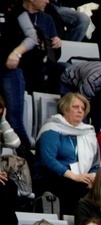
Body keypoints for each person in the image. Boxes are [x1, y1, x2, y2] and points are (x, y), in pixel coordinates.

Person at [32, 92, 100, 215]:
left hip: (80, 179)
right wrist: (74, 176)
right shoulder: (52, 128)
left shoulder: (88, 132)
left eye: (83, 108)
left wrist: (92, 177)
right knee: (74, 188)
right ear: (65, 108)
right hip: (51, 177)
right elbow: (48, 160)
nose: (80, 111)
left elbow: (95, 164)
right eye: (75, 107)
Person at [0, 0, 35, 152]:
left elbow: (32, 37)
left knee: (15, 120)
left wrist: (17, 52)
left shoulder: (15, 9)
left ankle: (25, 162)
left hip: (10, 69)